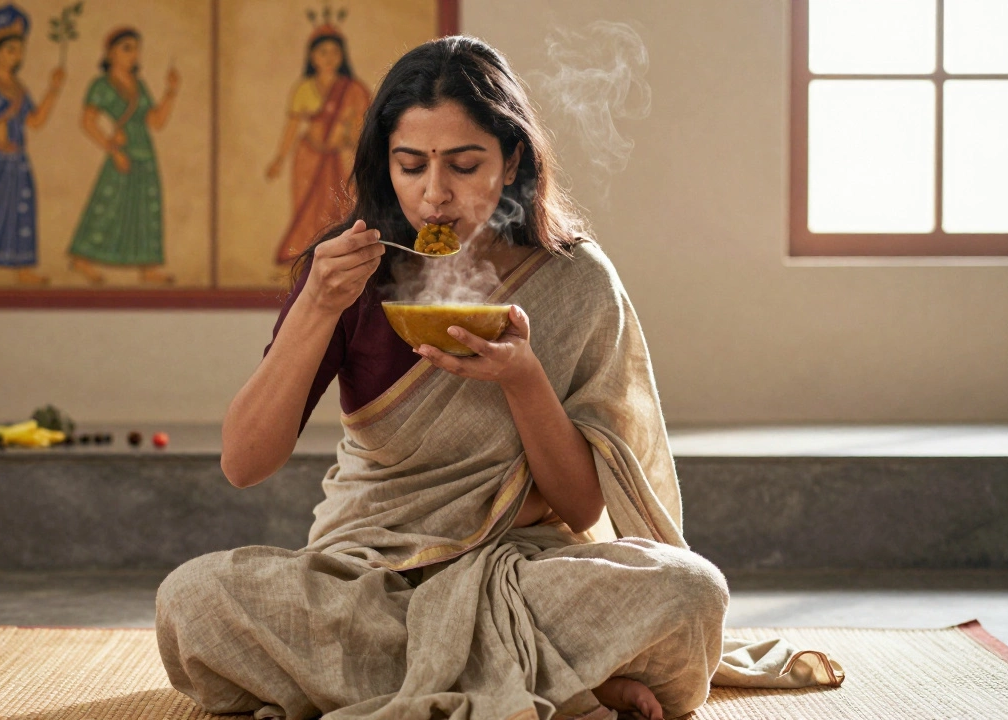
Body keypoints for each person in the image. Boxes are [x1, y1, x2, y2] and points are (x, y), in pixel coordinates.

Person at [156, 36, 841, 720]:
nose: (435, 195)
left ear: (511, 159)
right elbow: (245, 461)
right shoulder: (350, 274)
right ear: (383, 165)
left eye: (463, 164)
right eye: (410, 165)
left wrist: (523, 379)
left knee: (690, 592)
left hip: (525, 571)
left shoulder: (574, 281)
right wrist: (317, 304)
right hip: (369, 575)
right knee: (192, 603)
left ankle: (452, 680)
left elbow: (579, 510)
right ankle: (562, 686)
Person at [0, 4, 64, 285]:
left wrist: (53, 90)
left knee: (23, 212)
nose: (17, 56)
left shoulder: (19, 88)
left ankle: (23, 268)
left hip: (18, 159)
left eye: (20, 49)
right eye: (10, 49)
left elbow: (35, 121)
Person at [68, 27, 179, 286]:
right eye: (127, 48)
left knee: (145, 209)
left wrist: (171, 91)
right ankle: (82, 258)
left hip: (145, 154)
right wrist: (112, 148)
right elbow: (87, 121)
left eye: (136, 48)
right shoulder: (101, 85)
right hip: (123, 153)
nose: (134, 54)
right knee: (108, 206)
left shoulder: (138, 85)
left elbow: (156, 121)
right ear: (110, 52)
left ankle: (148, 266)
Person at [265, 15, 370, 266]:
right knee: (308, 207)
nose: (329, 57)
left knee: (341, 207)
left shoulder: (353, 89)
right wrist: (279, 159)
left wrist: (345, 135)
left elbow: (364, 129)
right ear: (312, 56)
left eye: (335, 51)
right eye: (323, 51)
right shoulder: (303, 88)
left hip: (342, 156)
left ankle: (338, 260)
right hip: (309, 156)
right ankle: (305, 261)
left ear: (343, 55)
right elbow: (292, 126)